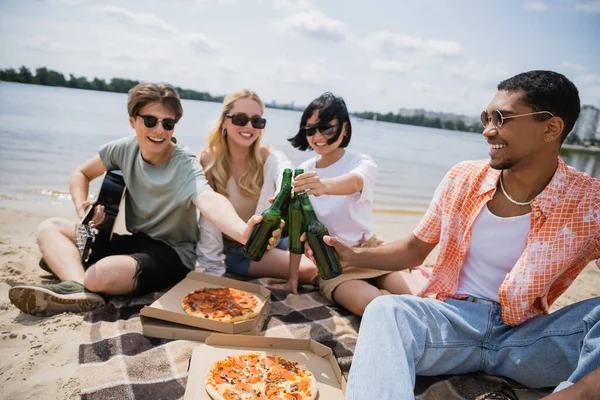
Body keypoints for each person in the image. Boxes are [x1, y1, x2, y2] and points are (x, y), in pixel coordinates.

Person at [302, 71, 600, 399]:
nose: (488, 130)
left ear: (551, 128)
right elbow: (415, 250)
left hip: (526, 341)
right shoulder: (463, 177)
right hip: (450, 326)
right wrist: (353, 255)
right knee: (386, 311)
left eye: (501, 118)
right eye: (486, 117)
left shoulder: (590, 202)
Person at [9, 82, 273, 316]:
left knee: (101, 274)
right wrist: (82, 208)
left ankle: (74, 273)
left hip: (173, 253)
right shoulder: (123, 148)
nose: (159, 130)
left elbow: (209, 199)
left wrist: (242, 232)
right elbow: (81, 173)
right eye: (150, 121)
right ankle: (79, 287)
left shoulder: (184, 162)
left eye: (168, 123)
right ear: (132, 121)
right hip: (135, 241)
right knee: (50, 227)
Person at [288, 92, 429, 315]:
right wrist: (292, 280)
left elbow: (354, 182)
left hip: (373, 252)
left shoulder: (361, 162)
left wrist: (323, 186)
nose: (318, 136)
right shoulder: (303, 171)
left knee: (422, 301)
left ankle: (413, 279)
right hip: (334, 265)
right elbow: (297, 231)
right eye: (310, 130)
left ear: (344, 128)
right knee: (376, 308)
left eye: (326, 128)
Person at [196, 89, 317, 289]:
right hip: (241, 251)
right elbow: (207, 218)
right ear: (224, 121)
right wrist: (213, 272)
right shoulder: (208, 160)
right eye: (240, 119)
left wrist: (283, 191)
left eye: (257, 121)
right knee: (312, 269)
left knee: (329, 254)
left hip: (275, 239)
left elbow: (284, 169)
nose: (249, 127)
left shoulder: (267, 155)